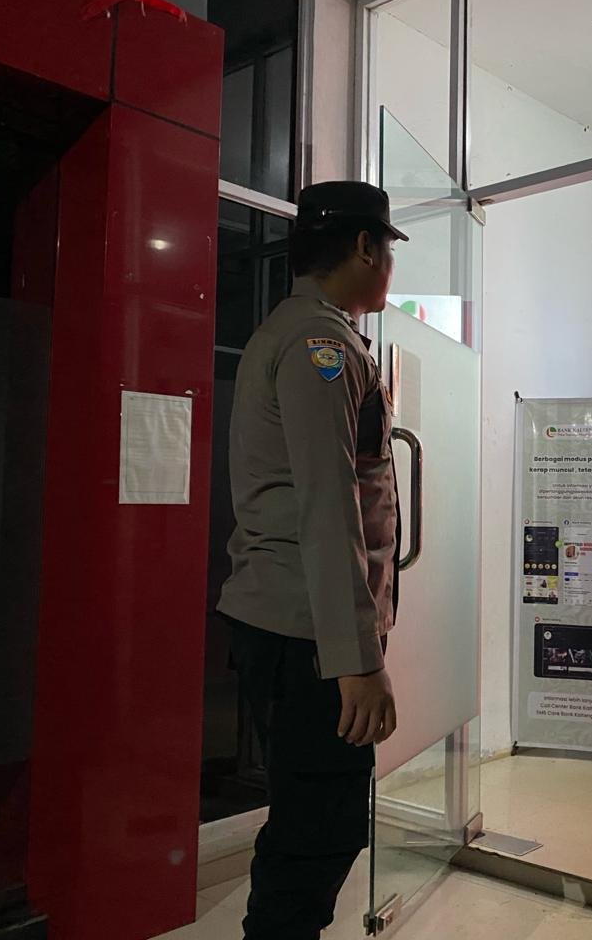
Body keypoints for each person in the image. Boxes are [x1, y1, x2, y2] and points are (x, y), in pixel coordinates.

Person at [217, 181, 407, 940]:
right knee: (320, 830)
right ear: (365, 247)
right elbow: (327, 507)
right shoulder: (317, 347)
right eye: (386, 250)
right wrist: (355, 660)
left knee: (311, 820)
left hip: (295, 626)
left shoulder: (305, 333)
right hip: (307, 636)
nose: (387, 267)